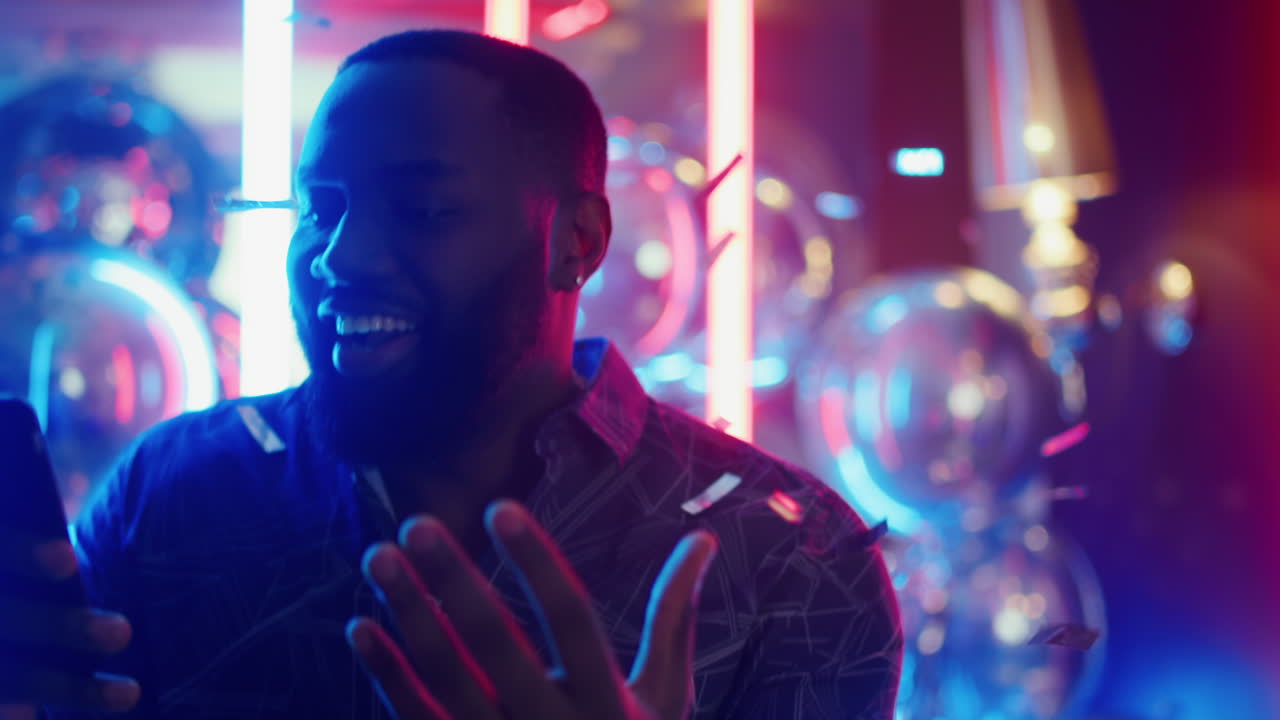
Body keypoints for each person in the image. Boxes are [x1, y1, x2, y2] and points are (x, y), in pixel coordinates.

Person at [0, 30, 902, 720]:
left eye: (423, 208)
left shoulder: (788, 559)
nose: (340, 256)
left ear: (577, 243)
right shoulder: (172, 493)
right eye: (320, 208)